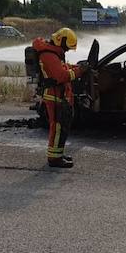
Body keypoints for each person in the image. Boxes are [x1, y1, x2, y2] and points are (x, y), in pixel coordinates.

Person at [32, 28, 87, 168]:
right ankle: (54, 159)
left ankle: (58, 154)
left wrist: (77, 66)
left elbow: (63, 67)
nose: (67, 51)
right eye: (66, 48)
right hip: (54, 96)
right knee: (56, 128)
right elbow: (61, 76)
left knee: (61, 127)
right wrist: (79, 71)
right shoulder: (49, 55)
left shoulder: (54, 53)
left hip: (58, 95)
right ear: (60, 40)